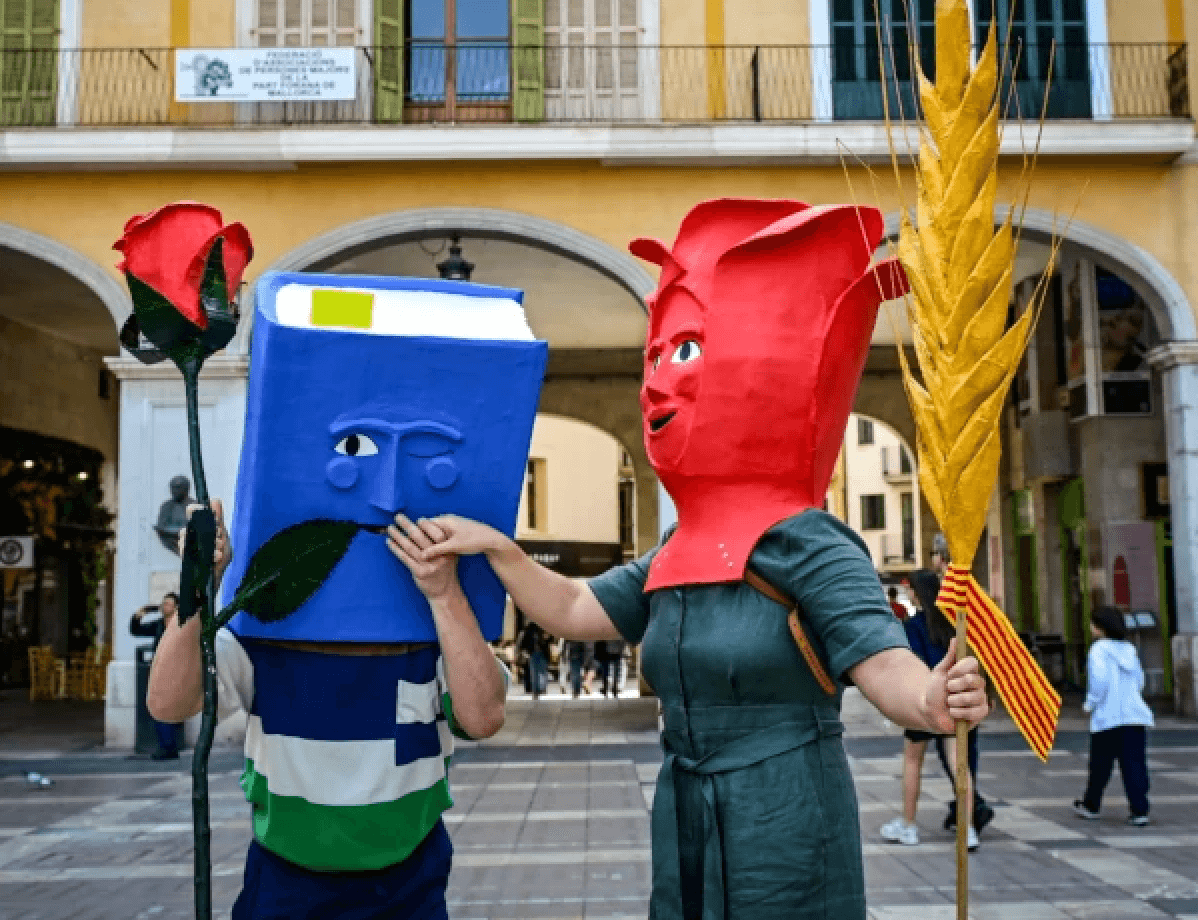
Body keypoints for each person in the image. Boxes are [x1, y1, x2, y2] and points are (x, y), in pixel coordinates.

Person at [147, 501, 508, 919]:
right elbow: (168, 703)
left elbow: (483, 717)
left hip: (408, 885)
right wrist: (198, 581)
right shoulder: (262, 637)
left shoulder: (434, 635)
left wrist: (445, 594)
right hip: (286, 884)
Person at [879, 571, 978, 851]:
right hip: (954, 700)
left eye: (911, 590)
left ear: (918, 593)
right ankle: (968, 828)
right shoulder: (953, 623)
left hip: (924, 699)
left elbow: (912, 663)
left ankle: (909, 825)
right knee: (960, 765)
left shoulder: (915, 626)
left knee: (912, 761)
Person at [1073, 605, 1154, 826]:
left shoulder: (1098, 650)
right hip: (1134, 716)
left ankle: (1091, 804)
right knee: (1135, 765)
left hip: (1108, 718)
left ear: (1099, 627)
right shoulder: (1129, 649)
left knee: (1100, 766)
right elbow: (1140, 680)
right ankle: (1140, 810)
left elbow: (1099, 682)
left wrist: (1089, 704)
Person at [130, 593, 184, 760]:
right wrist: (143, 611)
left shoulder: (181, 626)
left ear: (176, 607)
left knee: (166, 709)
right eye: (163, 603)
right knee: (159, 708)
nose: (164, 606)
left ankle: (168, 746)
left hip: (175, 672)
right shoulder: (159, 625)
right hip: (159, 671)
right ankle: (167, 747)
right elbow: (136, 630)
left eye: (168, 603)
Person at [519, 621, 549, 699]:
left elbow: (522, 644)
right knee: (541, 672)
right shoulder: (541, 631)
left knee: (535, 673)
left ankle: (536, 690)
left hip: (533, 654)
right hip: (539, 653)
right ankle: (540, 689)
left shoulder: (528, 632)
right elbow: (547, 642)